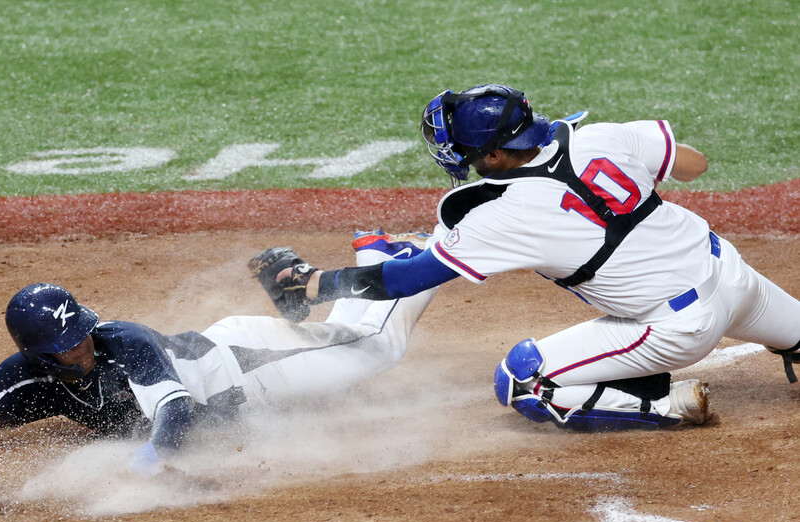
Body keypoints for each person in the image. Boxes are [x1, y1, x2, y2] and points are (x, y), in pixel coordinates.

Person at [264, 83, 800, 431]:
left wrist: (314, 283)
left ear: (495, 154)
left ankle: (666, 406)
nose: (464, 160)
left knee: (522, 381)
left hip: (678, 326)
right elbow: (694, 165)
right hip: (734, 275)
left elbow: (409, 277)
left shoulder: (505, 215)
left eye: (470, 153)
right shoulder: (598, 136)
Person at [0, 231, 438, 473]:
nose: (83, 344)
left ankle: (392, 253)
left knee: (376, 349)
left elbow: (176, 411)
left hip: (249, 363)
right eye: (67, 345)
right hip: (234, 375)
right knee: (359, 350)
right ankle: (294, 276)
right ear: (40, 355)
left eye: (81, 331)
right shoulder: (24, 378)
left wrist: (154, 460)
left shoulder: (125, 343)